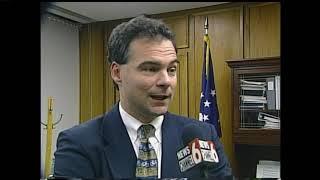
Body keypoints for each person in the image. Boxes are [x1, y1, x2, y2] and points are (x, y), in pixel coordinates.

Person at [53, 15, 232, 179]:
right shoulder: (79, 144)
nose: (166, 81)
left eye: (171, 70)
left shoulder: (202, 137)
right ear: (117, 73)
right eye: (150, 69)